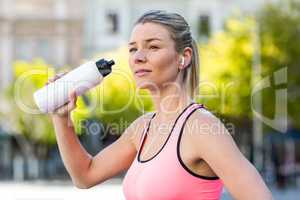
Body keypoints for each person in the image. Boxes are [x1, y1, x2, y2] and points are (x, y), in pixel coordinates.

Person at [48, 10, 273, 200]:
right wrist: (62, 118)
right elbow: (84, 176)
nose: (138, 57)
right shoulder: (142, 128)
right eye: (133, 49)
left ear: (183, 57)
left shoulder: (202, 128)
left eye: (153, 47)